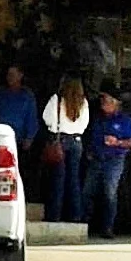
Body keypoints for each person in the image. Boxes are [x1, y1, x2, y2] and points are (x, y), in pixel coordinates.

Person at [82, 80, 131, 239]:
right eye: (102, 99)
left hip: (114, 160)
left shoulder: (125, 120)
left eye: (106, 100)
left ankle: (107, 227)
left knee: (109, 193)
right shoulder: (97, 118)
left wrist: (117, 142)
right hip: (96, 159)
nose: (102, 102)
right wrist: (89, 151)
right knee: (87, 191)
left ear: (115, 103)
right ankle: (83, 223)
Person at [42, 74, 89, 223]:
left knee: (58, 179)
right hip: (77, 141)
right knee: (74, 179)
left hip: (60, 141)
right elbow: (85, 124)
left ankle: (54, 215)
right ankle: (75, 215)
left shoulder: (56, 100)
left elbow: (46, 118)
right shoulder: (83, 103)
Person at [0, 65, 39, 183]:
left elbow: (32, 117)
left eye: (13, 75)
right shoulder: (0, 94)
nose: (10, 78)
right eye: (8, 75)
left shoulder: (27, 96)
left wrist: (29, 137)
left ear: (20, 76)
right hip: (0, 138)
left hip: (19, 139)